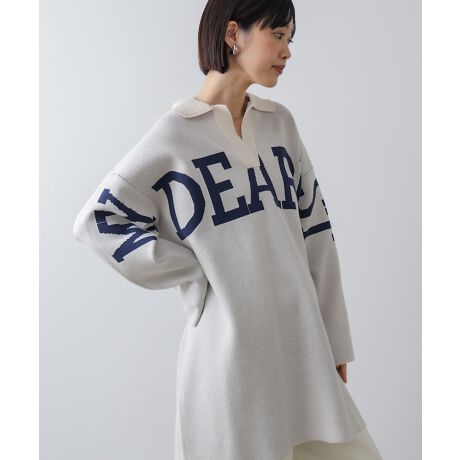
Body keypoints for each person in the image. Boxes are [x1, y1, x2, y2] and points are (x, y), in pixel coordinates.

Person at [72, 1, 384, 459]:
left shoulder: (280, 126)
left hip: (301, 348)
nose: (287, 51)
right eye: (278, 35)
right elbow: (99, 221)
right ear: (233, 34)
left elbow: (317, 233)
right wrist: (195, 271)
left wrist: (335, 340)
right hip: (229, 362)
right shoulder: (175, 136)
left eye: (289, 38)